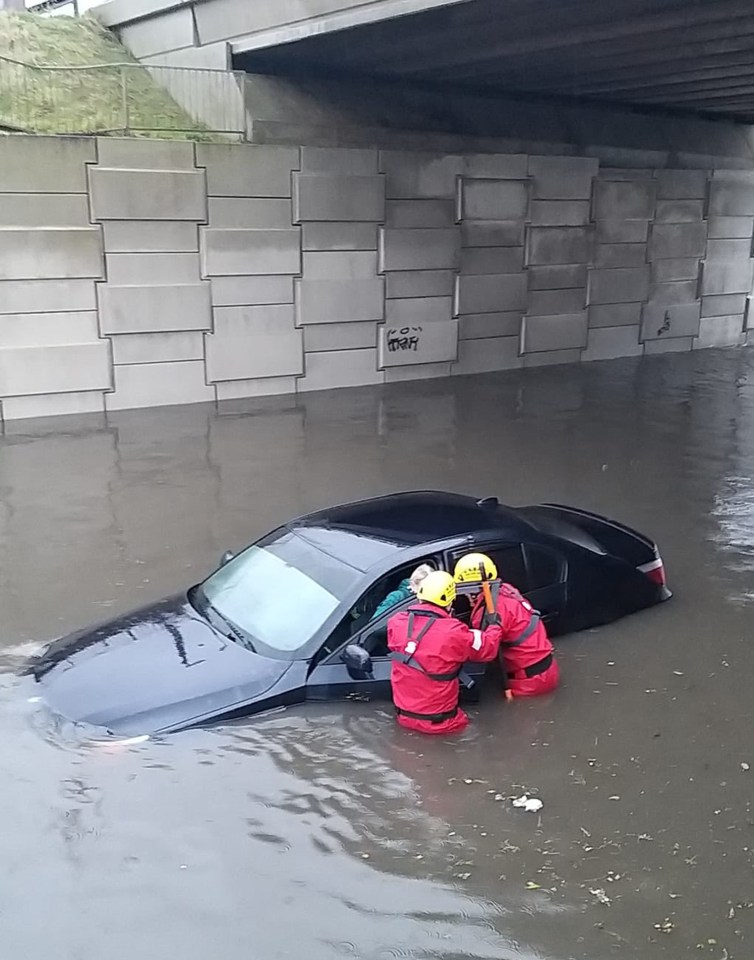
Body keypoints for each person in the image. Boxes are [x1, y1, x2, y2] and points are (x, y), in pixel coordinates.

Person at [387, 570, 502, 735]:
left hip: (404, 718)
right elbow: (487, 649)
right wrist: (494, 627)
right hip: (443, 724)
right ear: (450, 602)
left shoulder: (395, 622)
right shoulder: (454, 631)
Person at [454, 552, 559, 699]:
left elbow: (483, 653)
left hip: (528, 682)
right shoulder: (507, 590)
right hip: (548, 669)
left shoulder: (487, 614)